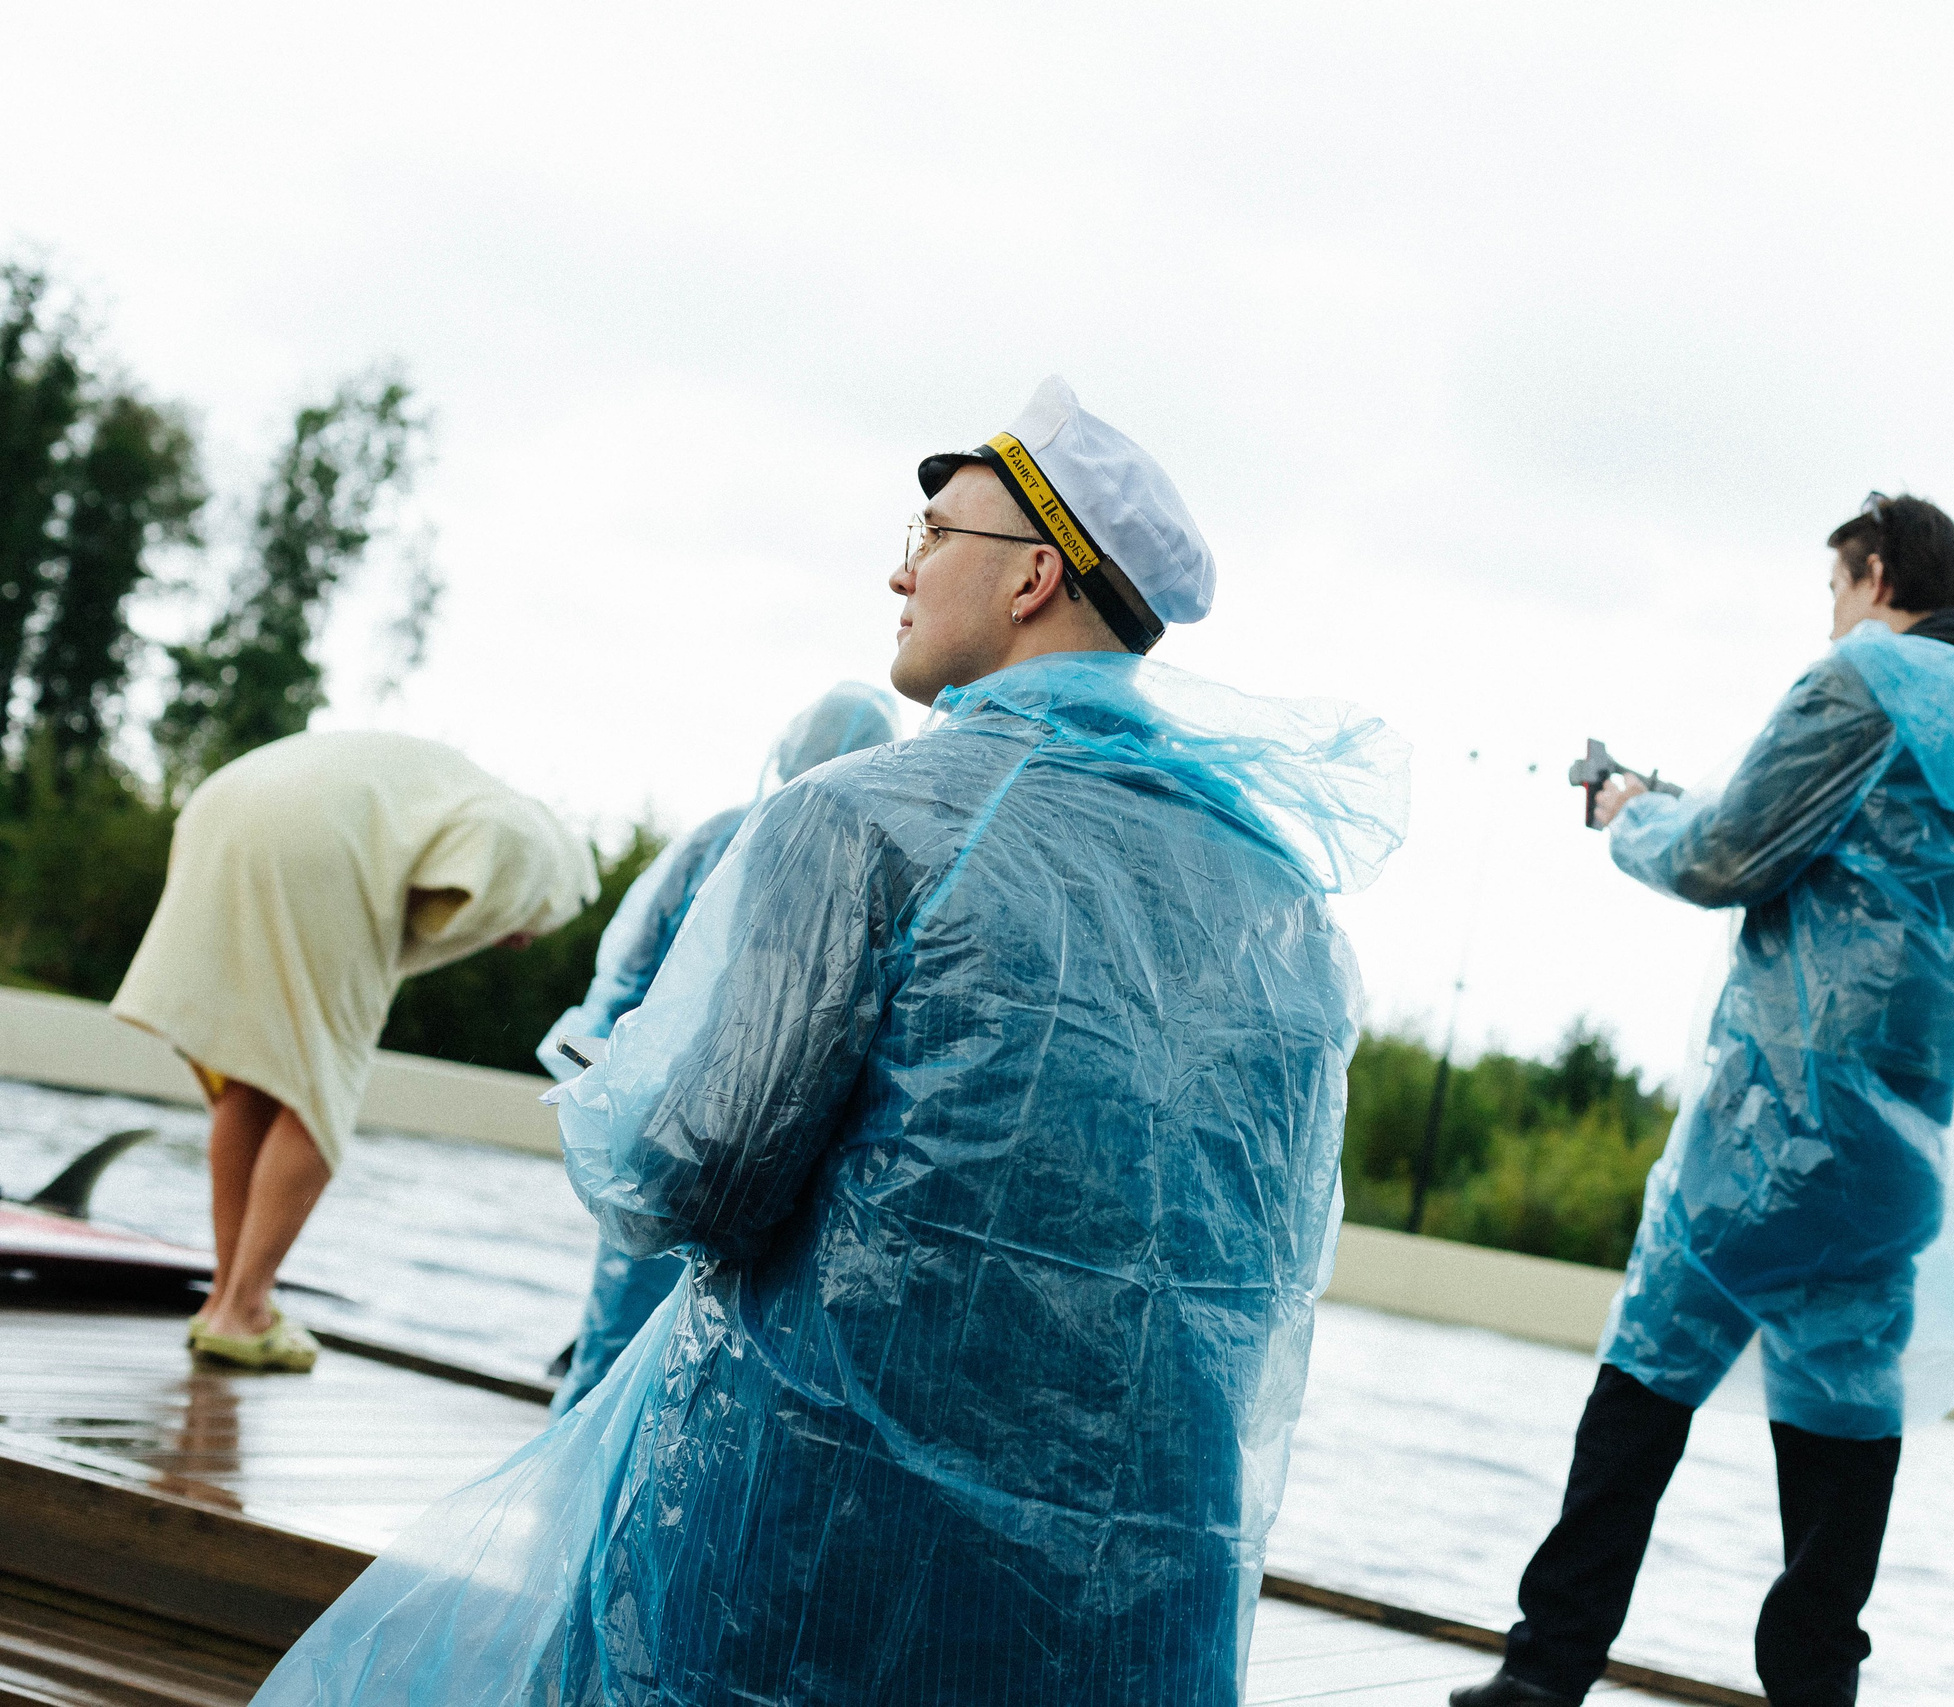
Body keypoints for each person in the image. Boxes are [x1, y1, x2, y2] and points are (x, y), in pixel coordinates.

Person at [249, 377, 1407, 1707]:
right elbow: (1254, 1284)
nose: (901, 569)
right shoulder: (1286, 906)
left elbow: (681, 1179)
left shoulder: (863, 820)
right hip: (1132, 1603)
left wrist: (612, 1085)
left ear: (1033, 575)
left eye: (934, 533)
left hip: (816, 1549)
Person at [1454, 494, 1954, 1707]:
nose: (1830, 619)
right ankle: (1815, 1697)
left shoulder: (1861, 679)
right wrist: (1690, 800)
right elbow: (1854, 854)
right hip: (1890, 1151)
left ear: (1876, 576)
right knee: (1842, 1435)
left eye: (1835, 590)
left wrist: (1633, 815)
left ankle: (1542, 1675)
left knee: (1641, 1388)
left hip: (1771, 1132)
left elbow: (1724, 855)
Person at [110, 732, 597, 1373]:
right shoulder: (537, 836)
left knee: (252, 1070)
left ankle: (226, 1301)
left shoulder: (438, 785)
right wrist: (503, 912)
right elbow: (492, 862)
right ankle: (244, 1309)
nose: (522, 943)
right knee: (320, 1086)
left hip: (224, 807)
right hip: (315, 843)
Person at [537, 679, 902, 1415]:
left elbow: (626, 968)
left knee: (624, 1325)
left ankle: (584, 1456)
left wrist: (610, 1077)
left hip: (664, 1125)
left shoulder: (726, 839)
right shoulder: (873, 859)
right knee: (720, 1361)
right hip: (769, 1152)